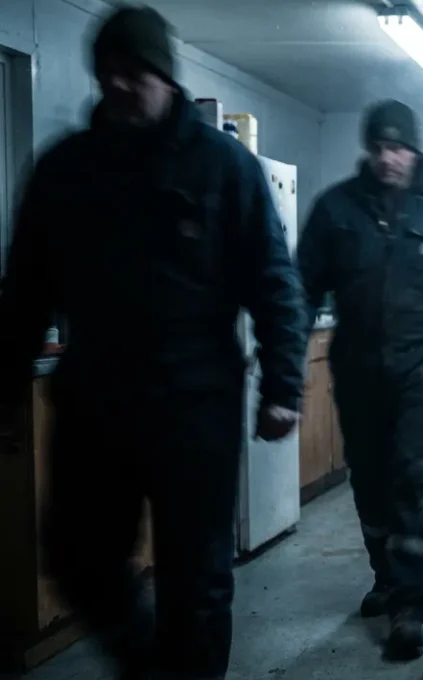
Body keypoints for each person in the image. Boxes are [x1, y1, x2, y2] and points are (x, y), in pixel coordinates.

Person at [0, 6, 306, 679]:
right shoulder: (68, 169)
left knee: (196, 579)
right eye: (107, 72)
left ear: (166, 78)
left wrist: (284, 384)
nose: (119, 85)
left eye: (134, 73)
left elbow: (273, 282)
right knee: (77, 559)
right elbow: (25, 289)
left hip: (195, 407)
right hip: (95, 403)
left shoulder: (223, 167)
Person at [297, 99, 423, 660]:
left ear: (414, 150)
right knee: (369, 478)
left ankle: (411, 605)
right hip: (358, 368)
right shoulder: (336, 208)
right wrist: (287, 362)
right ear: (367, 150)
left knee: (416, 475)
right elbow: (302, 289)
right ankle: (386, 576)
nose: (389, 158)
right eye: (379, 148)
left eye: (398, 148)